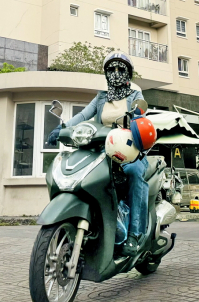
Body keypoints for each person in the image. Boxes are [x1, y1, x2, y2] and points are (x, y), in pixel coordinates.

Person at [47, 51, 148, 257]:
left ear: (128, 73)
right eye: (111, 69)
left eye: (120, 69)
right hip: (102, 150)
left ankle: (134, 235)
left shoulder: (135, 96)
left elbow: (141, 118)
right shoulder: (101, 97)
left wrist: (136, 118)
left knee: (135, 172)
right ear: (106, 73)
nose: (116, 72)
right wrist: (62, 128)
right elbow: (83, 115)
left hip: (128, 151)